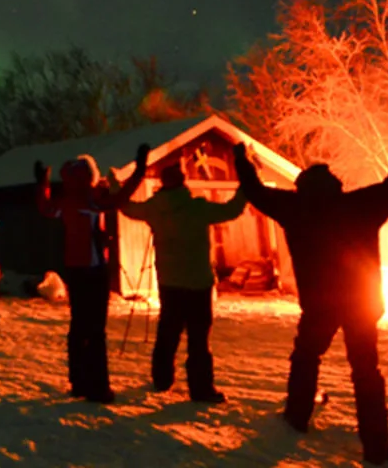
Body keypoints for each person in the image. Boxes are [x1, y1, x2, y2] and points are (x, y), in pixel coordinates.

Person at [234, 135, 388, 466]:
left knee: (306, 356)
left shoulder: (294, 208)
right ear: (336, 186)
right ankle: (376, 446)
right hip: (362, 301)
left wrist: (242, 160)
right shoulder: (360, 205)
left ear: (303, 188)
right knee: (365, 370)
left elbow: (256, 191)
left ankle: (297, 416)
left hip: (320, 304)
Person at [119, 155, 247, 403]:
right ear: (184, 182)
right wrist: (246, 187)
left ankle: (162, 378)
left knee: (168, 332)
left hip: (169, 282)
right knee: (198, 339)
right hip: (198, 281)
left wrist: (116, 186)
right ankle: (201, 389)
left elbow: (125, 207)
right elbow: (232, 210)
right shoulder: (197, 208)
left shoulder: (153, 208)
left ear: (163, 183)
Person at [35, 143, 150, 403]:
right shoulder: (92, 199)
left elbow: (45, 207)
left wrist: (42, 182)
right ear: (90, 175)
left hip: (74, 268)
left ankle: (78, 381)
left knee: (78, 327)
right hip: (94, 269)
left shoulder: (66, 200)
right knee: (96, 330)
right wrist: (139, 170)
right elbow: (120, 200)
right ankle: (98, 387)